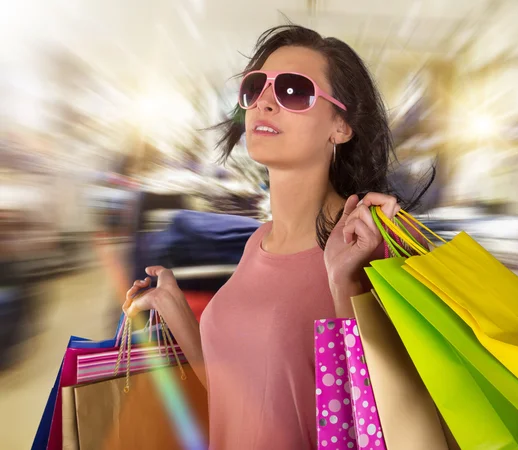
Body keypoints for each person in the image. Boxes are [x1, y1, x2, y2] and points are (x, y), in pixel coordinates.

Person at [123, 25, 436, 449]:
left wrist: (345, 284)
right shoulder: (259, 242)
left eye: (293, 91)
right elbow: (241, 395)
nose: (265, 102)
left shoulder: (374, 243)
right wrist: (174, 308)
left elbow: (395, 426)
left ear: (341, 126)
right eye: (256, 88)